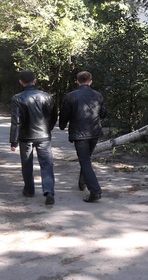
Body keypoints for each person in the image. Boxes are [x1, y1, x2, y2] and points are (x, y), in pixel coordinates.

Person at [9, 70, 57, 205]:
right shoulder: (47, 96)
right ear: (35, 81)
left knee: (26, 164)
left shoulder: (17, 98)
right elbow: (53, 116)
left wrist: (14, 140)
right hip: (44, 136)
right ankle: (49, 191)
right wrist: (48, 129)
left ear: (21, 82)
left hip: (25, 137)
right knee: (47, 164)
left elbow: (16, 121)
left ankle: (29, 190)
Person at [59, 71, 107, 203]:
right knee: (85, 159)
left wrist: (62, 125)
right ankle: (82, 183)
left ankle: (95, 191)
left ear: (77, 81)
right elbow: (103, 114)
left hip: (79, 134)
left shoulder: (70, 96)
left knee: (84, 161)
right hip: (94, 133)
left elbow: (64, 114)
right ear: (90, 81)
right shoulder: (98, 95)